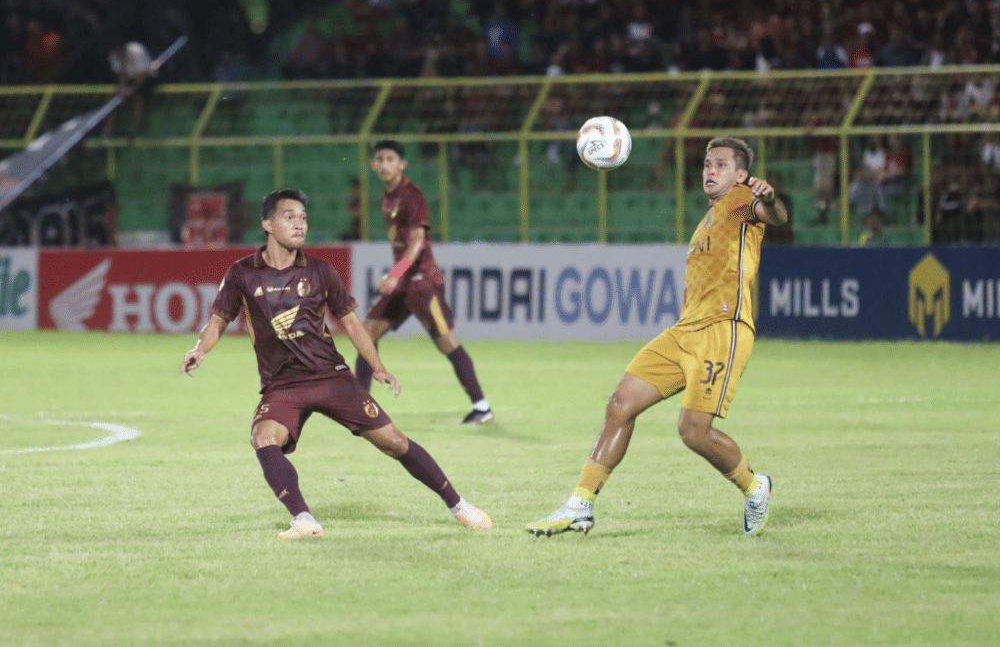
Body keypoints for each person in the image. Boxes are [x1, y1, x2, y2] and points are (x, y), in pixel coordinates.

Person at [180, 188, 492, 540]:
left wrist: (377, 367)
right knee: (263, 437)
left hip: (331, 378)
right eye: (289, 217)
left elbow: (353, 323)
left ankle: (459, 505)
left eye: (303, 217)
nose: (300, 224)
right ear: (267, 224)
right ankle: (303, 519)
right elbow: (218, 319)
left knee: (393, 441)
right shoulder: (242, 274)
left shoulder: (320, 271)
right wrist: (200, 349)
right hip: (282, 386)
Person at [525, 136, 787, 538]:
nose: (710, 170)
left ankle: (755, 487)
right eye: (705, 164)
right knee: (620, 405)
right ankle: (581, 503)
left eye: (720, 164)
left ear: (741, 174)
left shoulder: (739, 201)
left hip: (722, 329)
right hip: (684, 331)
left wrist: (770, 197)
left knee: (693, 432)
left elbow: (775, 216)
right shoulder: (710, 217)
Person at [355, 140, 494, 424]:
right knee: (365, 334)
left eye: (390, 159)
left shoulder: (411, 195)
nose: (383, 164)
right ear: (373, 164)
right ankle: (358, 407)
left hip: (422, 283)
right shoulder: (387, 196)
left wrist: (396, 273)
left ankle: (482, 408)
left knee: (447, 343)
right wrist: (397, 275)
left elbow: (417, 243)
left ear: (402, 164)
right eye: (379, 159)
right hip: (404, 282)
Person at [104, 38, 155, 138]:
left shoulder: (135, 50)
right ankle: (107, 133)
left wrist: (131, 89)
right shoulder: (114, 55)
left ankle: (136, 133)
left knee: (137, 98)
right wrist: (121, 88)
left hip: (148, 79)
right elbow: (121, 75)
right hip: (130, 79)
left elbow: (142, 75)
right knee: (112, 99)